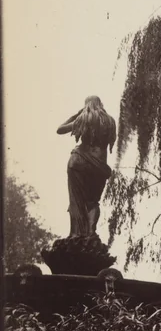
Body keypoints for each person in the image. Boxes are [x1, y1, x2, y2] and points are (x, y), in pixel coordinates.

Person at [56, 97, 117, 237]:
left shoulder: (83, 118)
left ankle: (75, 234)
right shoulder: (110, 121)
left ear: (86, 105)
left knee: (76, 200)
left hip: (78, 162)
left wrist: (76, 115)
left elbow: (60, 130)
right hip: (98, 166)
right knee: (93, 201)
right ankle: (90, 233)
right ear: (101, 104)